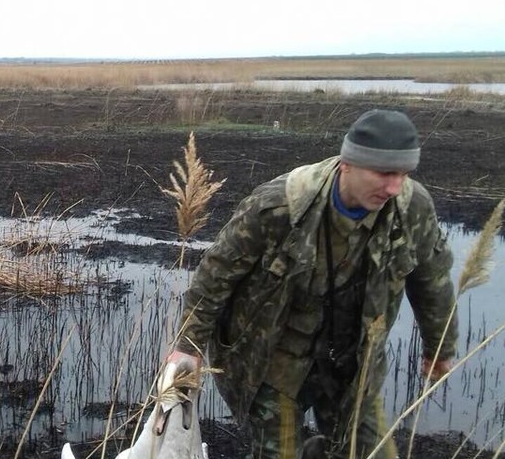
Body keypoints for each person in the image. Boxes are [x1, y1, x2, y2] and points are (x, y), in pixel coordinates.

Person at [164, 110, 458, 458]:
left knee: (374, 452)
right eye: (384, 173)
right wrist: (188, 345)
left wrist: (440, 348)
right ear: (348, 164)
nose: (394, 187)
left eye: (404, 174)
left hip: (352, 363)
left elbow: (432, 280)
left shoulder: (412, 208)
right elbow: (215, 276)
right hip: (273, 361)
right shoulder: (278, 206)